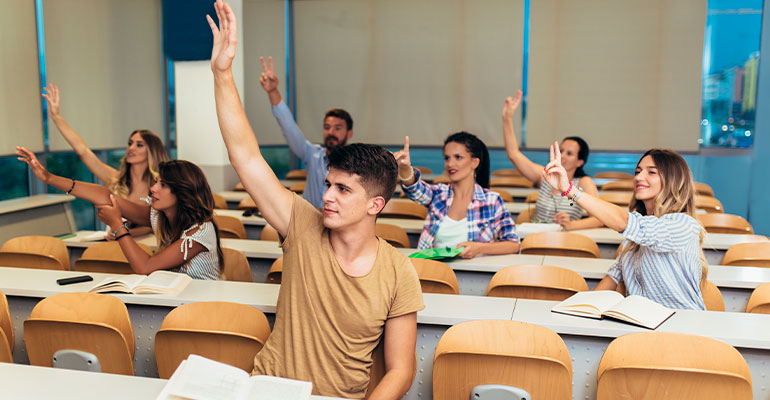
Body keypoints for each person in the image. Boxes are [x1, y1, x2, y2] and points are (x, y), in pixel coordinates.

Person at [207, 1, 424, 398]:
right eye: (328, 185)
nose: (326, 197)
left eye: (343, 190)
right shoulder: (303, 224)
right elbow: (247, 157)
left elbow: (400, 371)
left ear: (375, 204)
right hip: (269, 389)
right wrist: (222, 74)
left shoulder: (398, 272)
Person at [16, 147, 222, 280]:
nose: (153, 189)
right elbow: (106, 196)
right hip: (173, 299)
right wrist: (48, 178)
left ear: (182, 192)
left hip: (202, 305)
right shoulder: (159, 216)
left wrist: (118, 225)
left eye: (163, 185)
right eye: (157, 182)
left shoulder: (200, 232)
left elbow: (145, 267)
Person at [542, 143, 707, 310]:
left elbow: (625, 222)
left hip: (680, 326)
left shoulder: (684, 225)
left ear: (673, 181)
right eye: (637, 172)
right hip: (643, 325)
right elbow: (612, 279)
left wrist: (569, 189)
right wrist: (580, 309)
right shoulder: (631, 242)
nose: (638, 177)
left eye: (651, 172)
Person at [42, 83, 170, 236]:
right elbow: (83, 151)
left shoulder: (159, 185)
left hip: (145, 247)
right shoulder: (115, 179)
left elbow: (155, 224)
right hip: (113, 245)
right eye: (129, 143)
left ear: (152, 151)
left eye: (139, 145)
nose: (131, 148)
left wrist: (124, 232)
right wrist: (56, 117)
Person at [395, 133, 519, 258]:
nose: (450, 164)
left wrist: (479, 248)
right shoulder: (438, 195)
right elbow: (414, 188)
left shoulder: (492, 201)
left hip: (473, 275)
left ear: (474, 162)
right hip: (433, 271)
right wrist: (405, 169)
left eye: (458, 157)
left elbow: (513, 244)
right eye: (447, 158)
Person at [257, 56, 353, 208]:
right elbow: (289, 128)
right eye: (327, 127)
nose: (331, 132)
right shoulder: (312, 154)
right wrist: (273, 91)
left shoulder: (356, 163)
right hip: (309, 222)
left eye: (338, 128)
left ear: (349, 133)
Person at [501, 91, 602, 230]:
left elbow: (599, 218)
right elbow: (513, 154)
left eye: (569, 153)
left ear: (580, 162)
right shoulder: (545, 175)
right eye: (560, 150)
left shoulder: (584, 182)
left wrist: (571, 225)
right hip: (534, 239)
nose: (562, 156)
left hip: (564, 242)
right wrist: (507, 118)